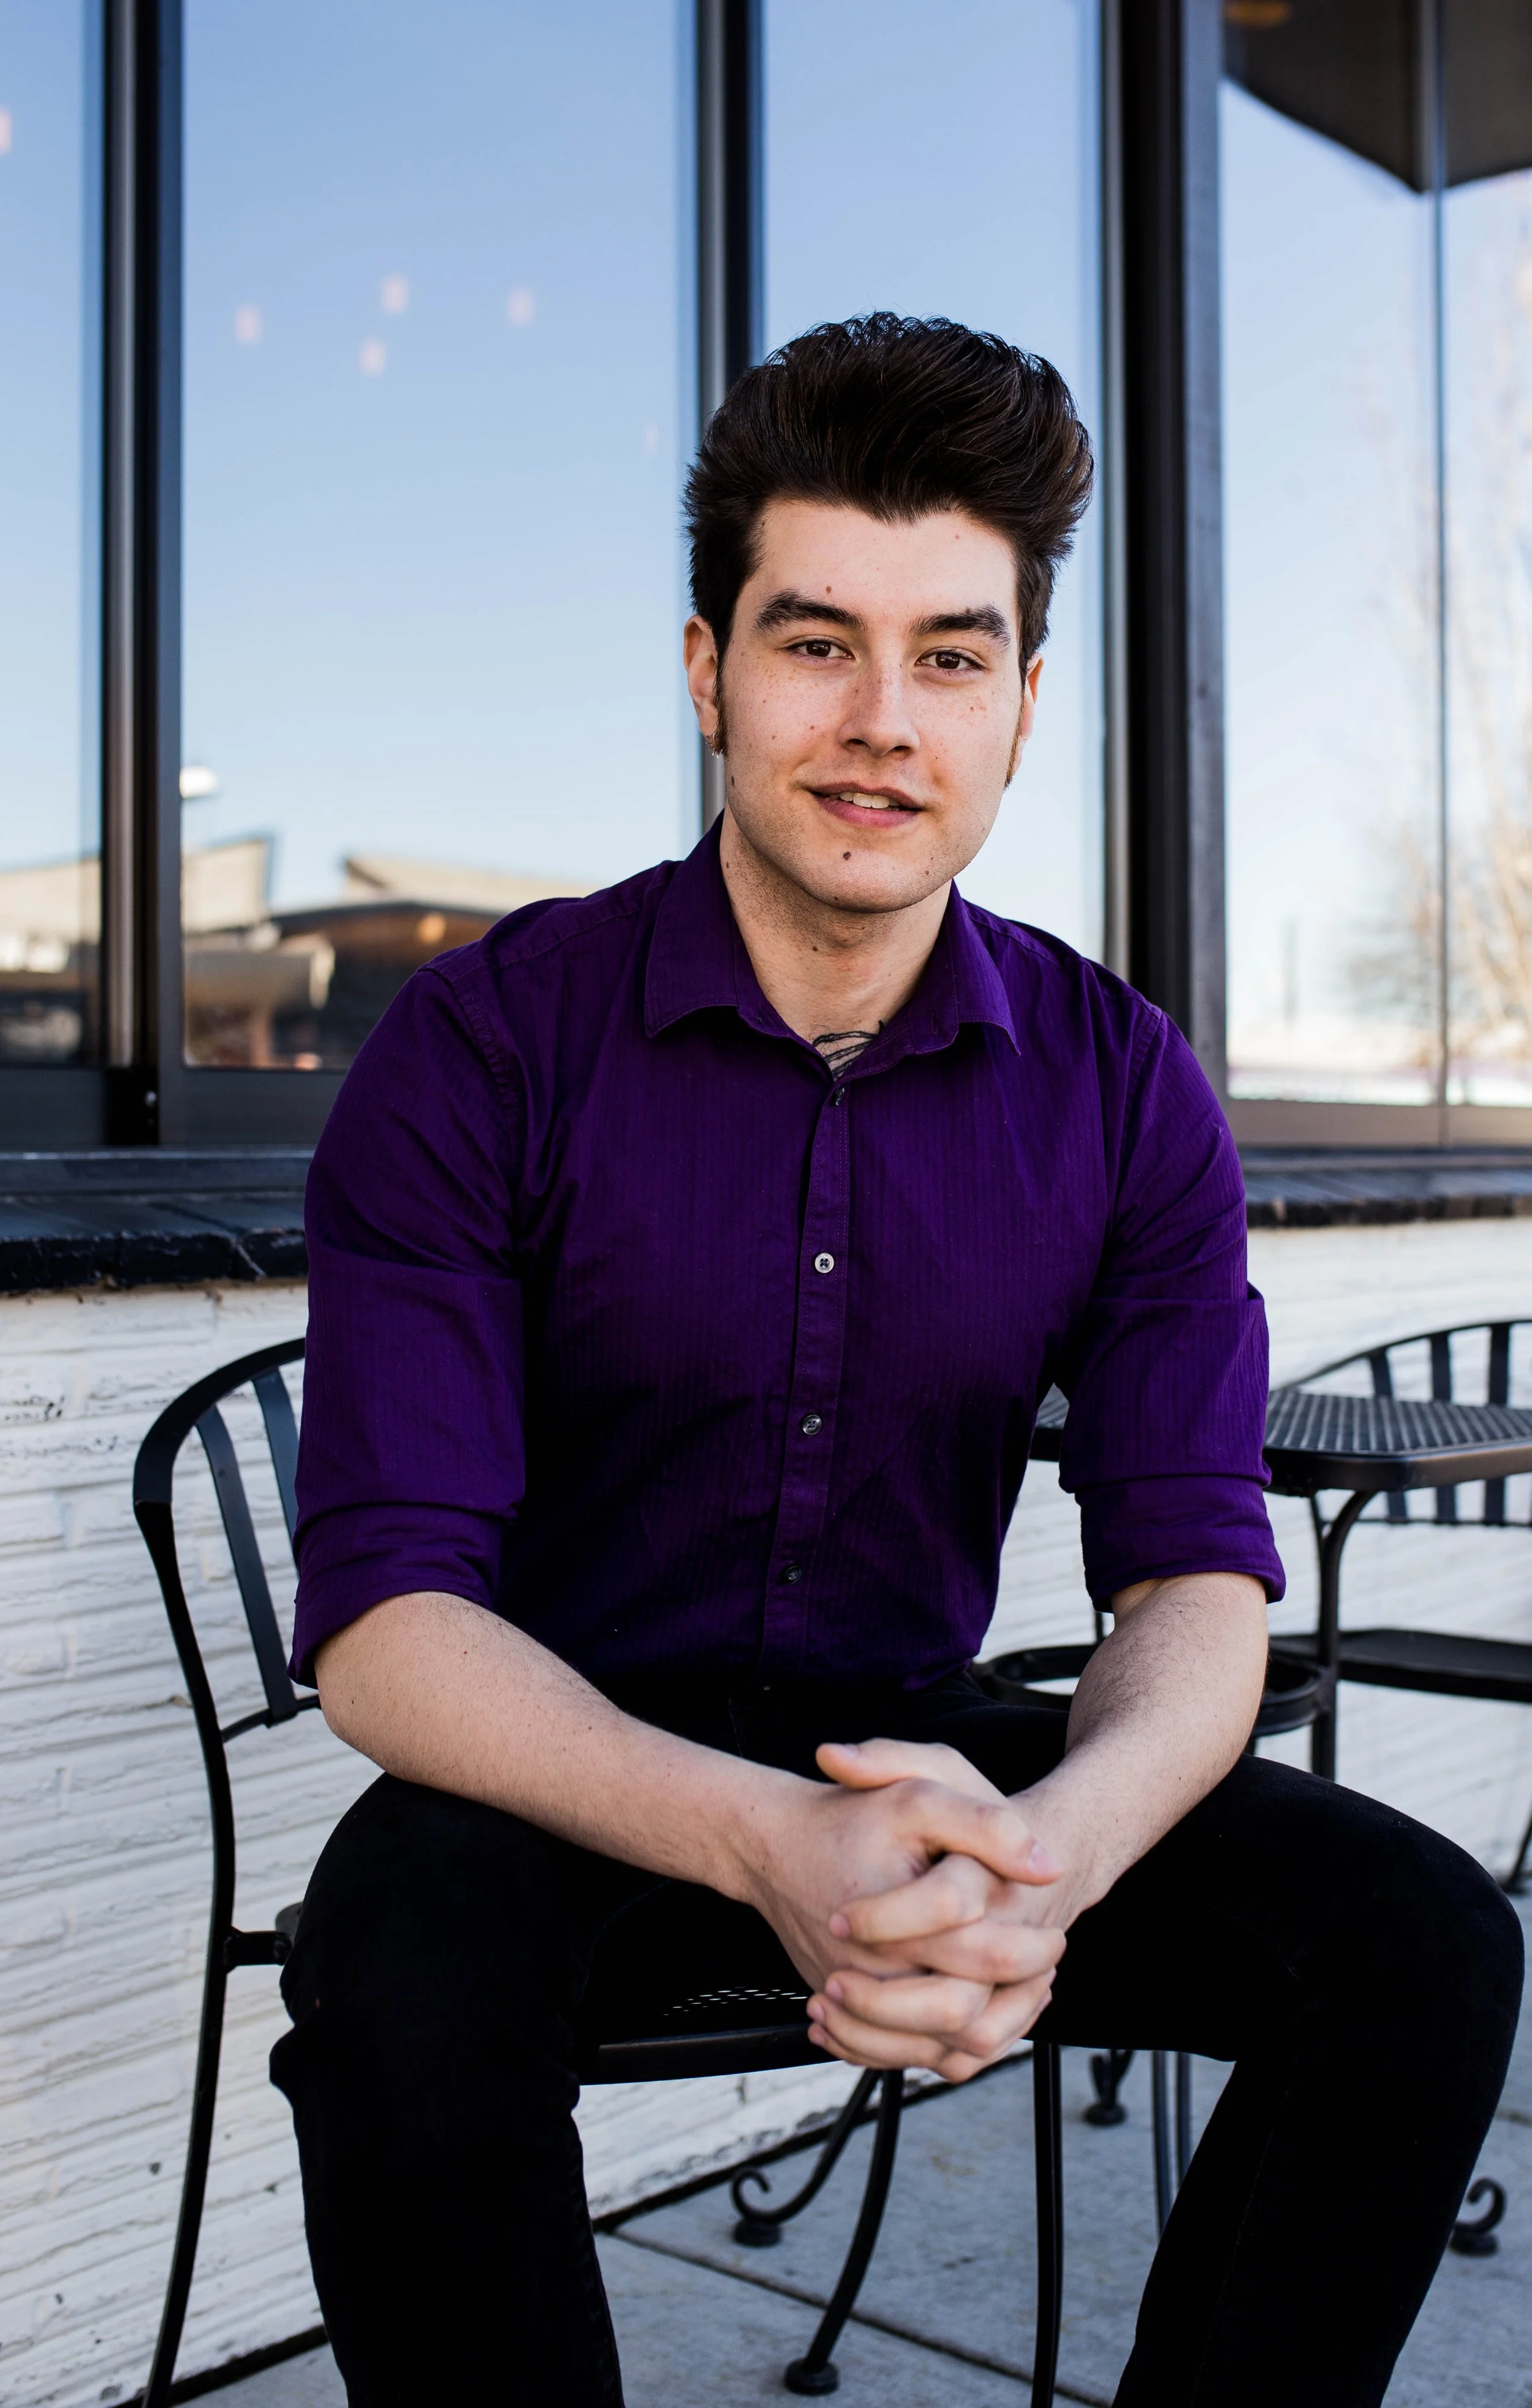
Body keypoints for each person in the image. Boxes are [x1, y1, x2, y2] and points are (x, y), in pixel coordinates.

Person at [271, 314, 1522, 2407]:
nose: (878, 722)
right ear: (706, 672)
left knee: (1419, 1946)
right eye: (812, 640)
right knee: (395, 1992)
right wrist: (763, 1840)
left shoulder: (1121, 1084)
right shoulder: (488, 1038)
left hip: (915, 1755)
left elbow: (1194, 1573)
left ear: (1024, 706)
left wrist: (1059, 1852)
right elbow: (389, 1625)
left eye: (950, 653)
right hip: (568, 1762)